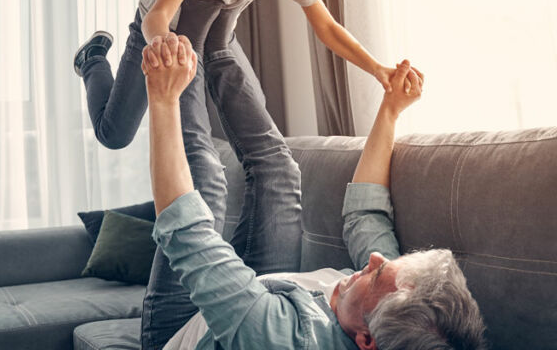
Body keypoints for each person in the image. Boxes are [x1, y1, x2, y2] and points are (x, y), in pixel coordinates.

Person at [74, 0, 420, 348]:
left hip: (217, 41)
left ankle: (264, 311)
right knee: (126, 139)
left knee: (279, 167)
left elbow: (325, 26)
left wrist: (379, 70)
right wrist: (161, 47)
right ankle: (92, 62)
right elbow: (161, 12)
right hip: (165, 37)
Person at [141, 34, 487, 350]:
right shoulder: (389, 302)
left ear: (366, 339)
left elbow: (187, 235)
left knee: (207, 178)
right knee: (280, 171)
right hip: (277, 293)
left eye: (378, 272)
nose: (377, 260)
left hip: (190, 321)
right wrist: (391, 109)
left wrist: (163, 97)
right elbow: (365, 215)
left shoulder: (284, 340)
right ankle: (218, 33)